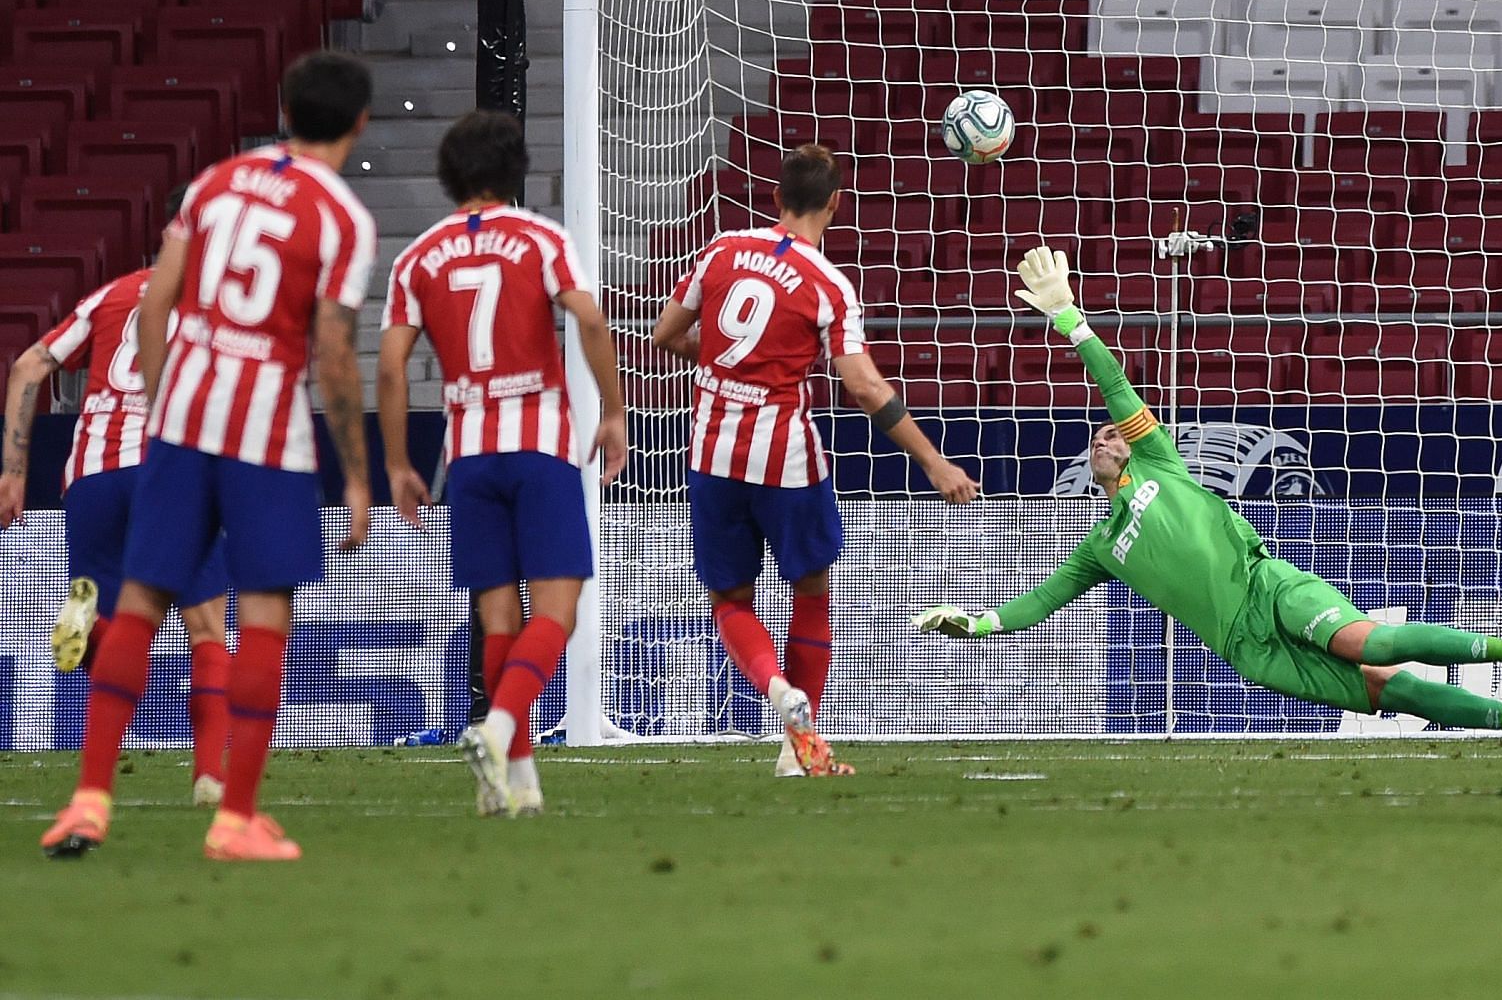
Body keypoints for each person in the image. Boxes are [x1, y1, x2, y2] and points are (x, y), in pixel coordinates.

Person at [914, 246, 1502, 745]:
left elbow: (1117, 389)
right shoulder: (1100, 548)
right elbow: (1038, 602)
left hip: (1270, 586)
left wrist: (1070, 318)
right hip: (1249, 648)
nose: (1104, 438)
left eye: (1110, 435)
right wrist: (976, 625)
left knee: (1368, 642)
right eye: (1095, 440)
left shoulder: (1159, 460)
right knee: (1388, 692)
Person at [38, 51, 378, 861]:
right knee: (256, 616)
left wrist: (167, 403)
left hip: (179, 423)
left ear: (286, 109)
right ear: (360, 123)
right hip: (265, 432)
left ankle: (88, 802)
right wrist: (358, 473)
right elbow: (332, 352)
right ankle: (235, 819)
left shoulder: (215, 185)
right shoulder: (341, 217)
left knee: (138, 605)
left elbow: (156, 304)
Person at [651, 143, 980, 777]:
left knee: (729, 599)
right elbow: (863, 386)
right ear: (835, 203)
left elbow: (664, 335)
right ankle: (799, 749)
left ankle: (775, 688)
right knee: (812, 592)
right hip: (786, 459)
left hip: (712, 452)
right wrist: (933, 463)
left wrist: (725, 367)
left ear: (775, 197)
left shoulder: (719, 250)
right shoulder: (828, 283)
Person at [379, 110, 628, 818]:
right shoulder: (541, 237)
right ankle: (497, 728)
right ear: (515, 172)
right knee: (557, 611)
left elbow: (392, 365)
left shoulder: (418, 257)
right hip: (540, 446)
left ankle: (515, 785)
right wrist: (611, 412)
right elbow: (587, 317)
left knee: (498, 619)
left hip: (472, 454)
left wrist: (398, 461)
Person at [2, 187, 234, 806]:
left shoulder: (113, 294)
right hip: (169, 470)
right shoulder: (220, 307)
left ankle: (81, 626)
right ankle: (209, 775)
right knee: (207, 629)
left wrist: (13, 471)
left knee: (104, 615)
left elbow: (28, 365)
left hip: (92, 475)